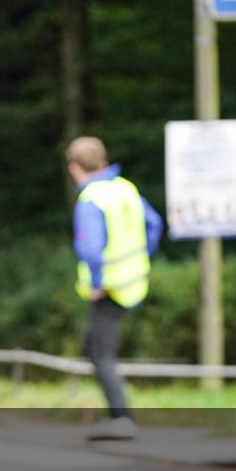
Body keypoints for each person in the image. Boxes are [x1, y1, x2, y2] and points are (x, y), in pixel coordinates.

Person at [66, 136, 162, 441]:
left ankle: (121, 418)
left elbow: (91, 249)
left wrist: (97, 283)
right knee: (94, 346)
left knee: (100, 352)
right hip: (132, 282)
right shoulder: (125, 188)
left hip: (107, 288)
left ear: (74, 168)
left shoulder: (91, 197)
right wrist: (141, 257)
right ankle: (118, 416)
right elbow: (154, 223)